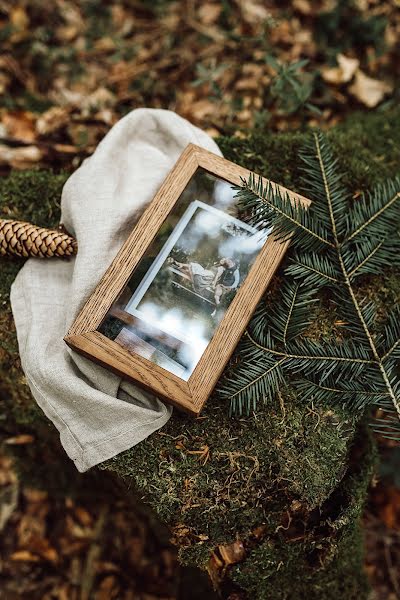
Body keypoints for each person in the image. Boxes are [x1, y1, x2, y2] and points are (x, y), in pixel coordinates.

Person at [167, 256, 240, 317]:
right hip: (206, 274)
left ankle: (178, 264)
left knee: (194, 267)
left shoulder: (221, 268)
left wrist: (214, 284)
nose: (222, 259)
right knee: (192, 269)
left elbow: (217, 277)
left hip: (208, 276)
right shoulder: (217, 265)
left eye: (224, 260)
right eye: (222, 258)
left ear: (225, 263)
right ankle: (177, 264)